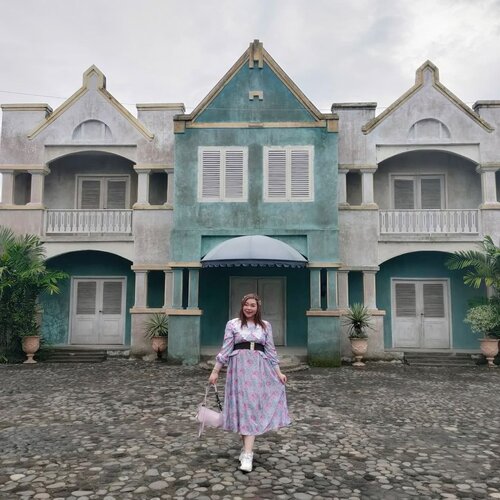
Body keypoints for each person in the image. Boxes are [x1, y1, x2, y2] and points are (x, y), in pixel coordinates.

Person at [208, 293, 291, 472]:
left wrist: (279, 373)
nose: (249, 308)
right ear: (242, 306)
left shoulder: (265, 326)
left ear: (258, 307)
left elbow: (271, 351)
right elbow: (226, 348)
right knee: (242, 409)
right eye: (246, 304)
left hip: (258, 371)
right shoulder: (233, 324)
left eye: (252, 305)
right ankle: (246, 449)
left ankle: (247, 455)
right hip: (238, 371)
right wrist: (215, 371)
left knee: (251, 408)